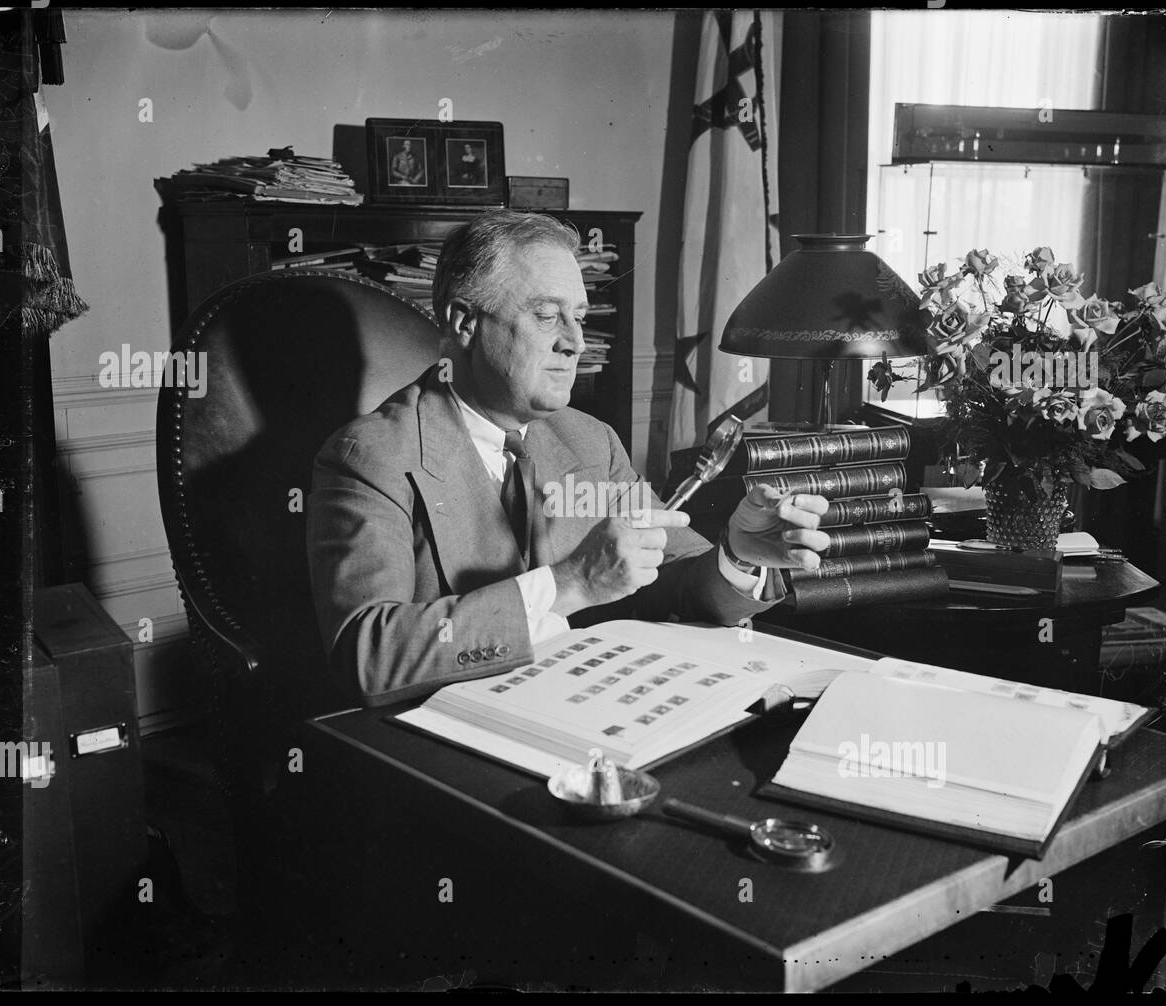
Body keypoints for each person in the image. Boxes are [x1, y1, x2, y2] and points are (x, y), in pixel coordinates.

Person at [308, 210, 830, 705]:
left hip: (586, 707)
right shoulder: (371, 457)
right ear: (464, 323)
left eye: (579, 318)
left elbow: (673, 577)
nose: (576, 343)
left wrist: (735, 556)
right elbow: (365, 656)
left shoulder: (589, 440)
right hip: (449, 733)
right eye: (546, 316)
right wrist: (570, 583)